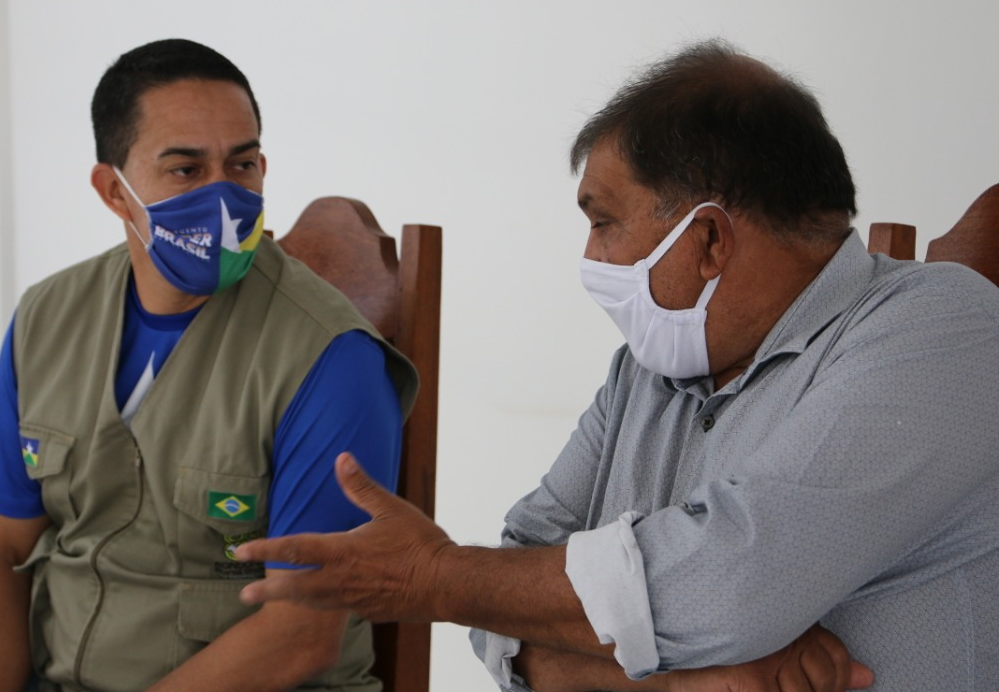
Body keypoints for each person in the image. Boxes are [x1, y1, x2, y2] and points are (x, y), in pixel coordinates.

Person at [235, 39, 999, 692]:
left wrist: (435, 579)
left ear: (708, 240)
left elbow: (722, 587)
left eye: (602, 222)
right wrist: (677, 682)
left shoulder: (942, 328)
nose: (591, 257)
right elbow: (512, 577)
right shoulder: (648, 367)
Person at [0, 39, 418, 692]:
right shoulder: (45, 319)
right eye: (186, 169)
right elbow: (7, 543)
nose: (224, 197)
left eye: (242, 164)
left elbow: (301, 634)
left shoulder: (332, 357)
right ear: (114, 191)